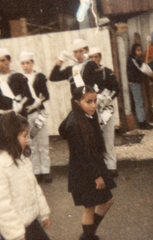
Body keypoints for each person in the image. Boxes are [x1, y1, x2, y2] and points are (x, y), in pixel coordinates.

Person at [59, 86, 116, 240]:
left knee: (107, 201)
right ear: (77, 102)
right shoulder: (76, 123)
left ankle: (88, 235)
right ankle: (88, 236)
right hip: (86, 172)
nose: (93, 105)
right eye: (88, 101)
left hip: (93, 166)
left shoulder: (83, 116)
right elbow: (81, 155)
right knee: (89, 209)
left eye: (95, 101)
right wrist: (96, 176)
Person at [0, 112, 51, 240]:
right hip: (14, 230)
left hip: (31, 223)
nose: (28, 140)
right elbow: (2, 207)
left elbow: (34, 188)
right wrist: (16, 235)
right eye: (24, 136)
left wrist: (43, 214)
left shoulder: (22, 160)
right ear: (10, 137)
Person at [19, 51, 52, 183]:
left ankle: (46, 170)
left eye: (28, 63)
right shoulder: (19, 79)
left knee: (43, 143)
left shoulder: (39, 77)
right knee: (31, 143)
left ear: (32, 63)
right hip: (27, 114)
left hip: (39, 113)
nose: (26, 66)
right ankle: (36, 171)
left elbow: (46, 95)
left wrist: (39, 101)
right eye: (23, 63)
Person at [88, 47, 119, 178]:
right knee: (94, 138)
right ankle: (99, 167)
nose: (94, 59)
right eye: (91, 57)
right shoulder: (86, 73)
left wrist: (108, 99)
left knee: (108, 137)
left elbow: (116, 89)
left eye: (96, 57)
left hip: (106, 109)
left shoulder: (107, 71)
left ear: (100, 58)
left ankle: (111, 166)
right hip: (93, 109)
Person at [0, 47, 34, 118]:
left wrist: (21, 104)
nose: (0, 64)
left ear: (9, 61)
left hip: (18, 115)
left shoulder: (18, 77)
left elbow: (29, 97)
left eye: (3, 61)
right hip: (2, 116)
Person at [127, 43, 153, 130]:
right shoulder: (132, 59)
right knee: (139, 102)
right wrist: (149, 72)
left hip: (137, 82)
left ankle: (142, 120)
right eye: (138, 50)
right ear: (134, 51)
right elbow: (140, 69)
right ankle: (141, 123)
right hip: (133, 83)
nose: (139, 52)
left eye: (140, 50)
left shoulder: (137, 59)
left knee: (140, 102)